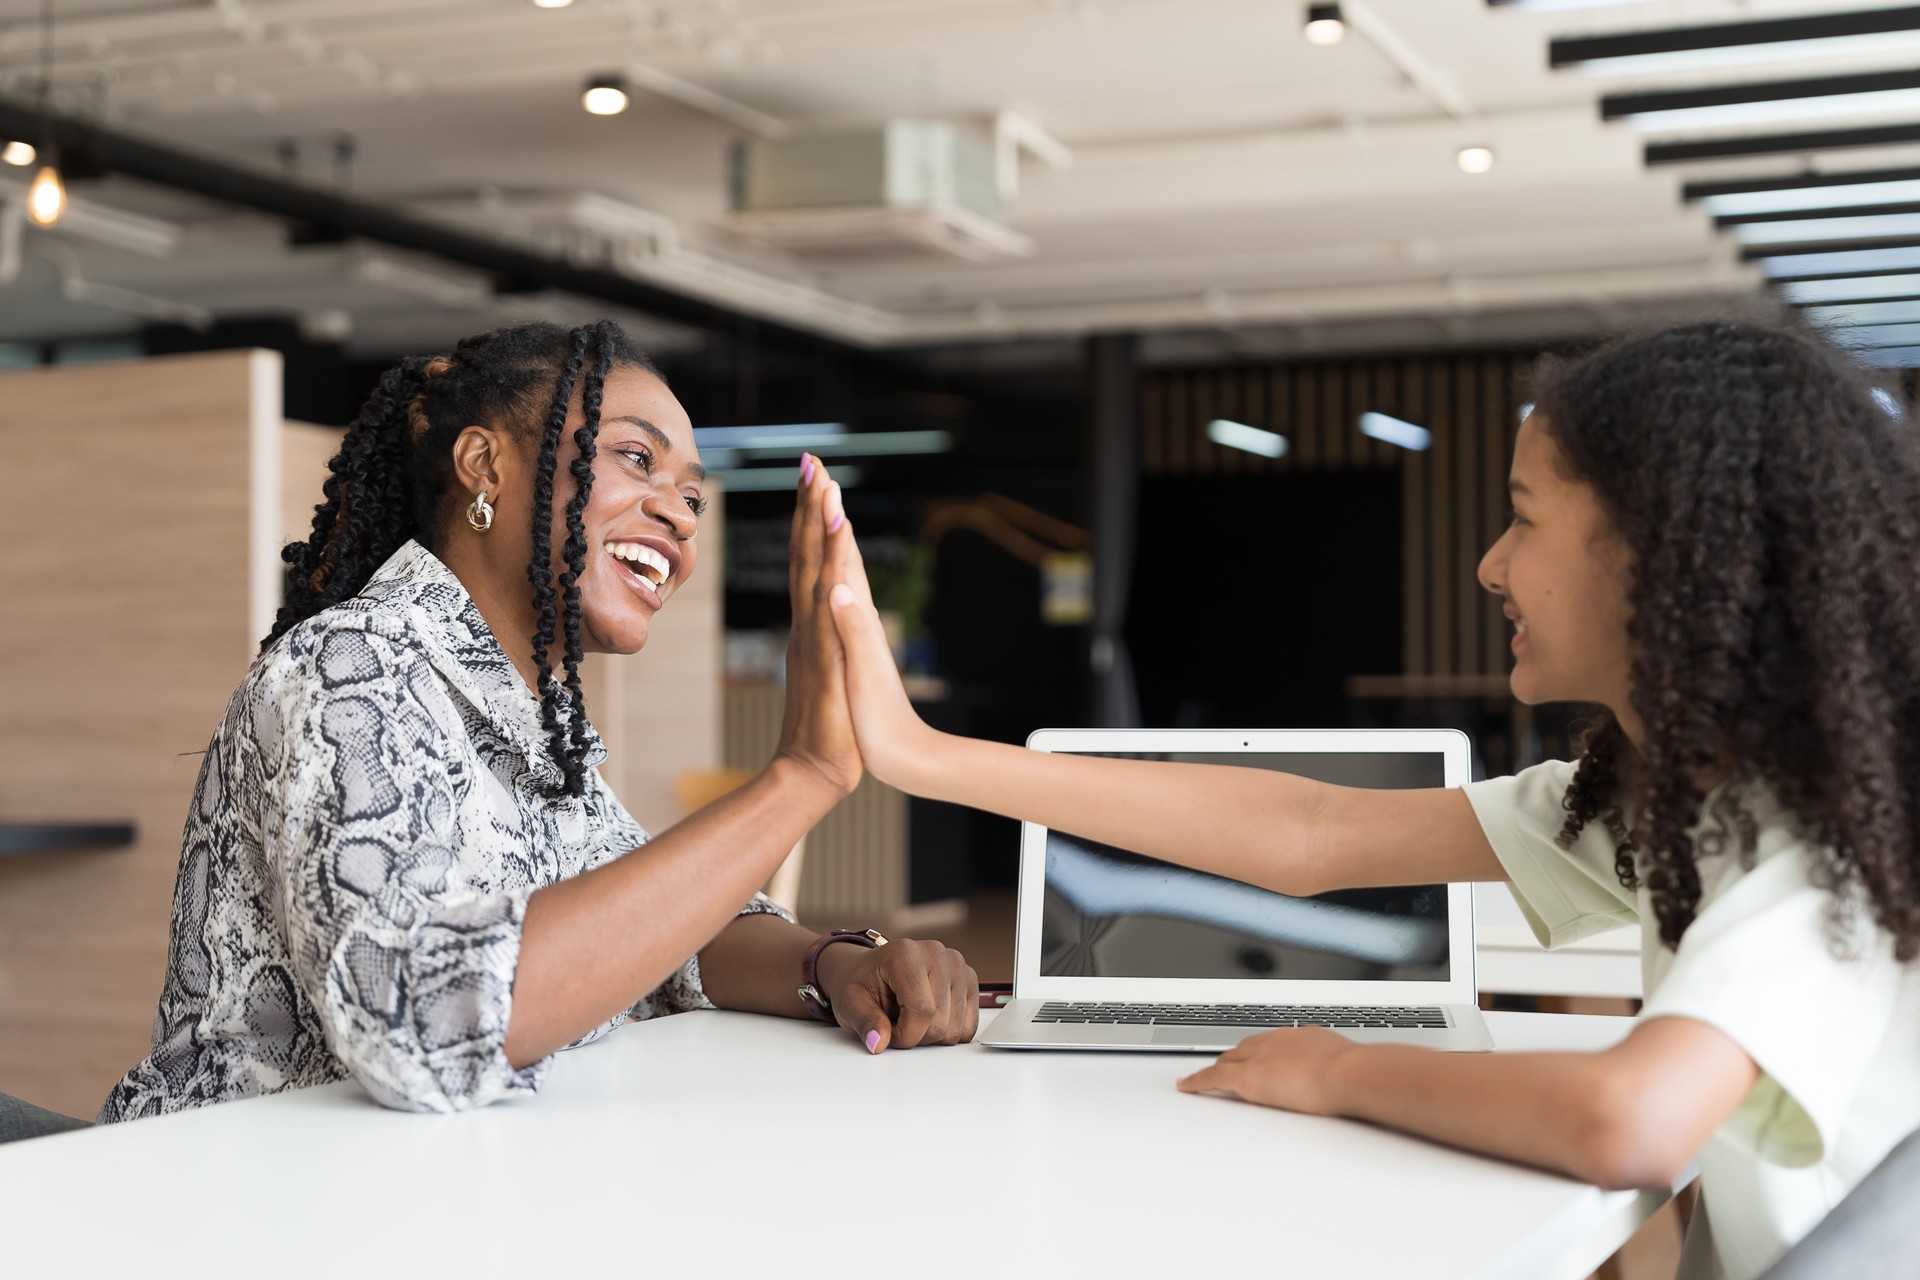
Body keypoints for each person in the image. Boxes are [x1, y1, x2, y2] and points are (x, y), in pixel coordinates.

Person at [822, 319, 1920, 1280]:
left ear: (1661, 556)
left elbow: (1626, 1118)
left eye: (1524, 519)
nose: (1491, 566)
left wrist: (1342, 1069)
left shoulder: (1819, 845)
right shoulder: (1673, 798)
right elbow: (1312, 832)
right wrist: (921, 755)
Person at [102, 319, 976, 1122]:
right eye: (637, 459)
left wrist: (839, 964)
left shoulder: (531, 719)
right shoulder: (352, 667)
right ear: (484, 465)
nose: (678, 511)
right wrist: (802, 777)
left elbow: (678, 939)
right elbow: (424, 1022)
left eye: (694, 497)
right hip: (233, 1211)